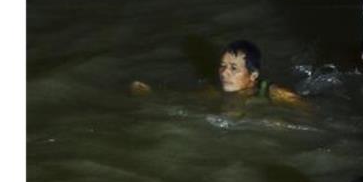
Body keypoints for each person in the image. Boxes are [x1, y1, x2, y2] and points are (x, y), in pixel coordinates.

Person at [130, 39, 304, 105]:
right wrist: (150, 94)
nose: (224, 73)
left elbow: (309, 115)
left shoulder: (276, 93)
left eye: (234, 68)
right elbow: (183, 99)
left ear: (253, 75)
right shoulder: (214, 91)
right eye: (222, 66)